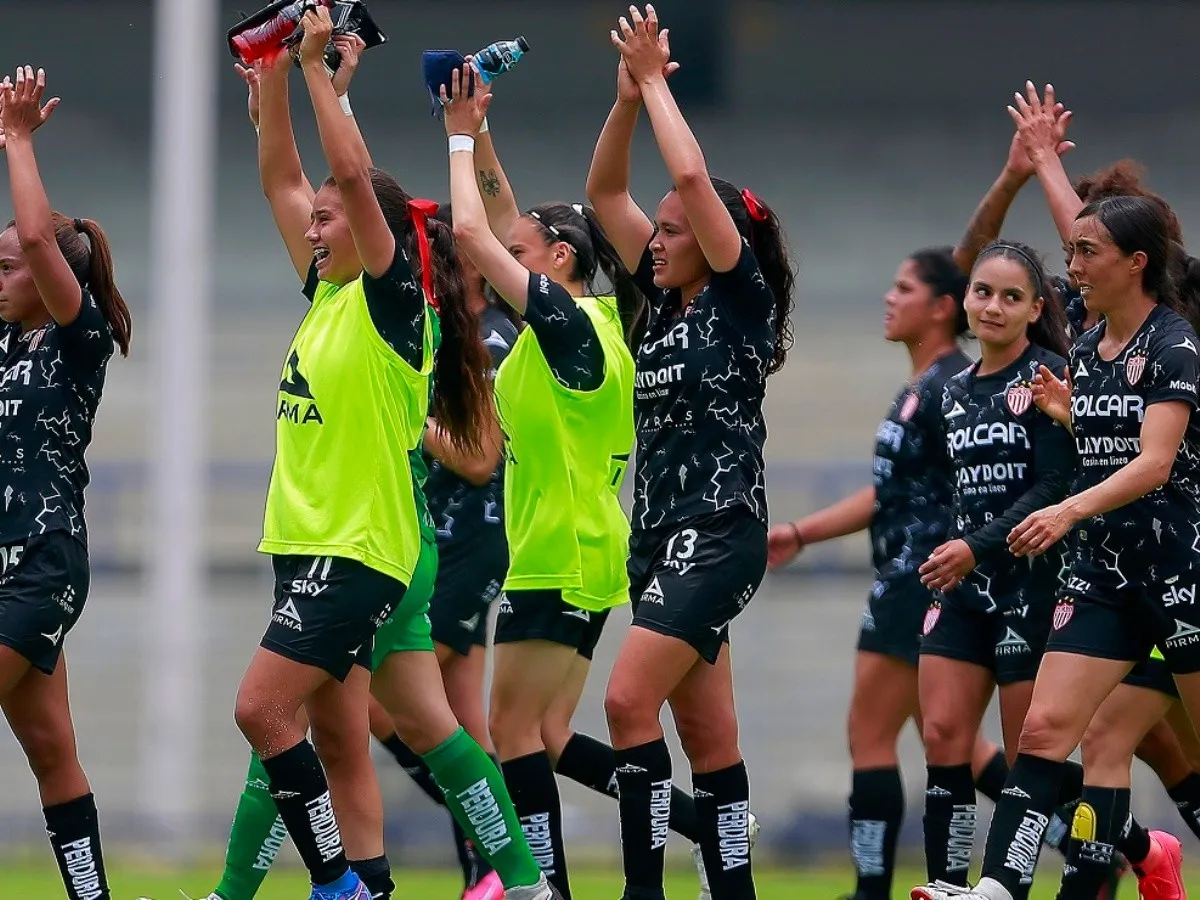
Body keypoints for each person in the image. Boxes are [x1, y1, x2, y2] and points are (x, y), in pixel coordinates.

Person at [231, 10, 561, 900]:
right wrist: (269, 86)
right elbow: (281, 178)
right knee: (380, 735)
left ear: (368, 226)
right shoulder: (327, 291)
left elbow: (340, 173)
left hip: (359, 544)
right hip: (317, 539)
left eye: (328, 217)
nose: (310, 224)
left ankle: (325, 885)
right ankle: (521, 884)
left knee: (263, 713)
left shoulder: (387, 301)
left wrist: (313, 70)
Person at [909, 187, 1200, 900]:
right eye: (1070, 250)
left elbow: (1156, 462)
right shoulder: (1092, 346)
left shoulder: (1173, 341)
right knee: (1043, 734)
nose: (1071, 264)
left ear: (1135, 264)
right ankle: (998, 887)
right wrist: (1073, 416)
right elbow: (1113, 446)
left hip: (1179, 571)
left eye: (1086, 252)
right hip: (1102, 574)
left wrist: (1067, 509)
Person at [585, 6, 794, 898]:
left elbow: (691, 176)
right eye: (658, 231)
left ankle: (645, 889)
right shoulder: (667, 301)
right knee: (709, 740)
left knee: (627, 702)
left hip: (716, 529)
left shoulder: (737, 299)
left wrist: (663, 82)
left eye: (673, 231)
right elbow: (603, 198)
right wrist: (628, 96)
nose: (655, 239)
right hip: (657, 533)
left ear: (715, 241)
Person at [440, 58, 641, 899]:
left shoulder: (563, 322)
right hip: (587, 550)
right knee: (552, 732)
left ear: (558, 259)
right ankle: (704, 826)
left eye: (523, 253)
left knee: (510, 729)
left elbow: (472, 234)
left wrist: (452, 143)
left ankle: (541, 888)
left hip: (556, 551)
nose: (501, 263)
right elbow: (498, 219)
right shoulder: (584, 318)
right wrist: (481, 124)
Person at [766, 242, 1010, 900]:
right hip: (909, 575)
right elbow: (888, 491)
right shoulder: (921, 387)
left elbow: (981, 489)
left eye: (904, 288)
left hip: (921, 578)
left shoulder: (953, 389)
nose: (889, 297)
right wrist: (800, 532)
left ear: (939, 307)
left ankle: (872, 888)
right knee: (956, 742)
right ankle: (1086, 838)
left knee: (878, 734)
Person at [0, 65, 130, 900]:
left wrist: (14, 140)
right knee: (52, 750)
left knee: (51, 746)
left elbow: (44, 241)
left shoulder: (71, 343)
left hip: (41, 565)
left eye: (7, 266)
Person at [914, 241, 1074, 886]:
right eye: (983, 292)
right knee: (942, 736)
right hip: (960, 587)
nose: (994, 307)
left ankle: (1097, 858)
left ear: (1036, 309)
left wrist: (975, 546)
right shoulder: (947, 391)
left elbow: (1054, 486)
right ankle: (947, 886)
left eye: (1012, 297)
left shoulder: (1047, 378)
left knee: (1027, 754)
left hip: (1029, 586)